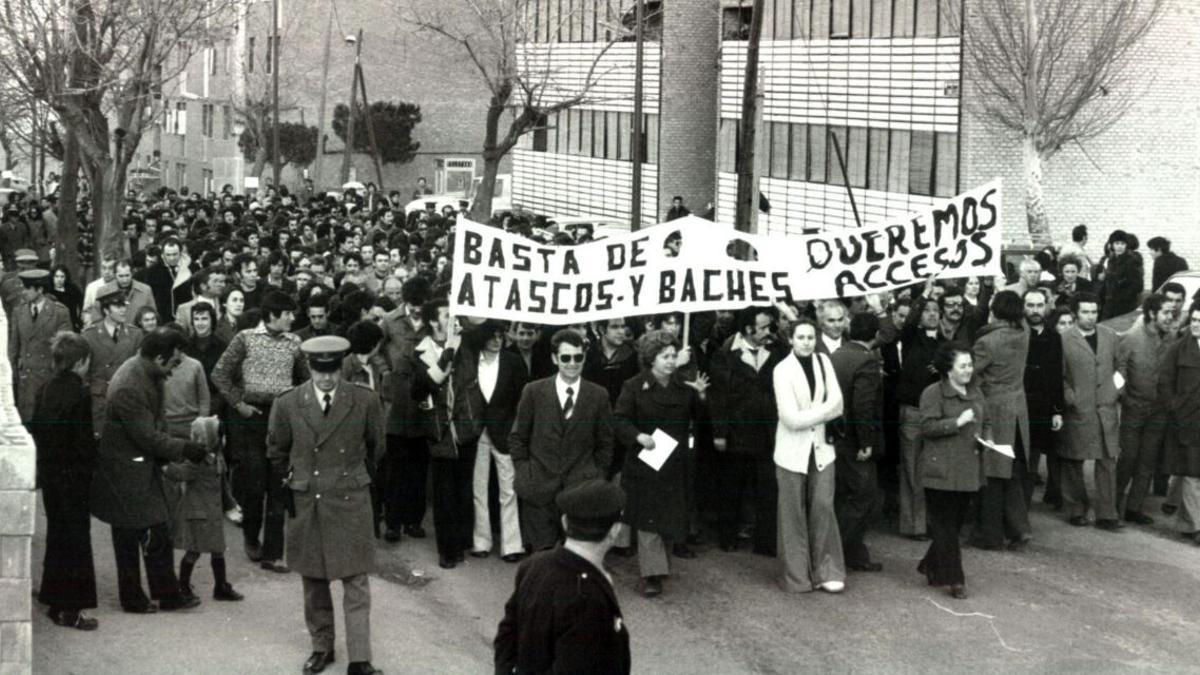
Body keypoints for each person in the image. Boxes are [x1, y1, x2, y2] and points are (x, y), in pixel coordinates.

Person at [267, 335, 385, 675]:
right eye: (320, 372)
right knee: (314, 580)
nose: (327, 379)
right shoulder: (288, 403)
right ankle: (322, 647)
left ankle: (360, 659)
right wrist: (294, 483)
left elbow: (377, 446)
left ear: (341, 368)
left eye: (333, 370)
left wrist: (356, 477)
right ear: (309, 369)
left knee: (356, 581)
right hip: (309, 500)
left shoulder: (364, 400)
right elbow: (276, 451)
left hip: (349, 497)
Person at [89, 328, 208, 613]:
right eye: (173, 363)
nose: (174, 370)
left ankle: (162, 594)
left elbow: (159, 422)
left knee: (153, 528)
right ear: (158, 358)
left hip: (139, 466)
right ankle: (139, 598)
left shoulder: (148, 373)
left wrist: (170, 453)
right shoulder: (131, 383)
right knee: (133, 534)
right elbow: (147, 436)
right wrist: (185, 449)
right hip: (126, 470)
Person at [212, 290, 309, 573]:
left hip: (281, 420)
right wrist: (238, 404)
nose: (292, 318)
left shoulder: (295, 343)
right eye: (288, 313)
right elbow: (219, 373)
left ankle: (273, 552)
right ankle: (251, 538)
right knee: (254, 485)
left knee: (279, 485)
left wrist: (295, 408)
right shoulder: (244, 339)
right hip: (250, 420)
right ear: (272, 315)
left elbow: (304, 380)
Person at [493, 479, 630, 675]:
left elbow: (506, 635)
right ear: (615, 530)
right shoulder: (587, 597)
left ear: (565, 522)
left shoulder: (534, 564)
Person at [613, 329, 710, 597]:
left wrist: (701, 397)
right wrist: (638, 436)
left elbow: (699, 421)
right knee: (647, 520)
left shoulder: (684, 387)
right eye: (664, 356)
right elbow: (619, 420)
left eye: (672, 355)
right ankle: (651, 574)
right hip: (645, 463)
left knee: (668, 517)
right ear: (651, 359)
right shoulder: (633, 386)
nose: (670, 361)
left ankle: (660, 566)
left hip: (675, 463)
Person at [509, 329, 615, 551]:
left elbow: (605, 442)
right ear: (554, 359)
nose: (572, 363)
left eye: (578, 357)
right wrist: (525, 471)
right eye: (566, 357)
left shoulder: (598, 395)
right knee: (542, 557)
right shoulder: (534, 391)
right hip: (538, 488)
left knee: (577, 558)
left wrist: (596, 475)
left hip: (580, 490)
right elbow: (518, 437)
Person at [31, 333, 99, 630]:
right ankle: (71, 610)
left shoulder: (45, 388)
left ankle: (52, 597)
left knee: (57, 536)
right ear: (80, 362)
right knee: (76, 542)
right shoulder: (80, 393)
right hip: (74, 478)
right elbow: (83, 443)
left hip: (51, 475)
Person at [772, 319, 844, 593]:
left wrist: (821, 413)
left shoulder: (825, 363)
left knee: (823, 507)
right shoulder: (782, 370)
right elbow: (789, 418)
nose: (806, 342)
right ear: (790, 339)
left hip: (822, 449)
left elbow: (839, 404)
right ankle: (796, 575)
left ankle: (827, 570)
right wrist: (825, 412)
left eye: (811, 337)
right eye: (800, 337)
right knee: (792, 512)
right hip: (791, 451)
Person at [708, 306, 787, 554]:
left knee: (767, 488)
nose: (768, 332)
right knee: (732, 487)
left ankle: (765, 541)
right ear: (748, 329)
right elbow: (718, 397)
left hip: (768, 434)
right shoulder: (724, 355)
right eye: (763, 327)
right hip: (737, 433)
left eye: (769, 326)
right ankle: (728, 537)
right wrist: (719, 433)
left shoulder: (777, 351)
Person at [450, 320, 528, 563]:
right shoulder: (472, 360)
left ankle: (512, 545)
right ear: (482, 338)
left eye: (500, 335)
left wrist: (515, 430)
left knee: (509, 489)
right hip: (476, 432)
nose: (497, 340)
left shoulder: (514, 362)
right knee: (478, 488)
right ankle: (481, 541)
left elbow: (522, 400)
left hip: (504, 433)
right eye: (492, 336)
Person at [918, 342, 990, 599]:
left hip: (969, 468)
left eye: (970, 365)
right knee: (946, 526)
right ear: (949, 370)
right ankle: (955, 579)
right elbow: (926, 427)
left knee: (954, 524)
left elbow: (986, 420)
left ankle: (930, 564)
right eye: (963, 366)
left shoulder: (976, 392)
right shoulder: (932, 393)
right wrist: (957, 422)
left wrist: (987, 439)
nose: (968, 370)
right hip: (941, 470)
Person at [970, 290, 1033, 550]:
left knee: (992, 475)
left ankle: (990, 535)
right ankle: (1019, 528)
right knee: (1012, 472)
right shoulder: (1024, 335)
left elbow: (969, 372)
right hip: (1018, 410)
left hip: (995, 411)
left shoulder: (988, 341)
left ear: (994, 311)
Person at [1060, 293, 1123, 530]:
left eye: (1094, 312)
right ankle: (1076, 509)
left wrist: (1114, 390)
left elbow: (1121, 366)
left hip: (1106, 408)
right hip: (1079, 409)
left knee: (1107, 461)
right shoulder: (1065, 339)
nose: (1090, 316)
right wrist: (1070, 397)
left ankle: (1107, 513)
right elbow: (1060, 375)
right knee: (1075, 459)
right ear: (1076, 313)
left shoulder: (1109, 336)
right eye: (1085, 312)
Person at [829, 312, 884, 573]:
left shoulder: (836, 356)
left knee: (844, 496)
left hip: (835, 437)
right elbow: (863, 405)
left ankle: (855, 554)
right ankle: (833, 550)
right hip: (855, 441)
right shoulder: (867, 362)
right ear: (875, 335)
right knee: (864, 497)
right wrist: (866, 442)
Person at [1116, 294, 1174, 525]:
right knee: (1128, 458)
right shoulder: (1131, 338)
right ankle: (1111, 505)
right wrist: (1124, 398)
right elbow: (1119, 372)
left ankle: (1134, 508)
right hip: (1134, 408)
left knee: (1147, 460)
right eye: (1167, 312)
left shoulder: (1170, 339)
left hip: (1159, 410)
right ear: (1152, 313)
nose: (1171, 317)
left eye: (1173, 312)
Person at [1160, 300, 1200, 543]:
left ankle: (1182, 513)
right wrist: (1175, 409)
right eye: (1194, 320)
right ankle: (1195, 525)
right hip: (1187, 420)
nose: (1196, 325)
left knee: (1188, 473)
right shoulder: (1177, 349)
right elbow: (1164, 383)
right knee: (1193, 473)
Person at [10, 268, 73, 422]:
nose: (23, 292)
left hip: (49, 380)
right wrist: (13, 376)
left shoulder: (59, 312)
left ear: (39, 289)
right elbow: (13, 348)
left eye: (27, 288)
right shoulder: (19, 312)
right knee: (27, 423)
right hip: (26, 380)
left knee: (47, 425)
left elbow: (65, 350)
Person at [1022, 289, 1065, 508]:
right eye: (1030, 305)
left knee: (1034, 459)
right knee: (1020, 460)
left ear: (1046, 307)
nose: (1035, 311)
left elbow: (1057, 375)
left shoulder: (1054, 337)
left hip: (1042, 407)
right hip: (1020, 404)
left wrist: (1057, 410)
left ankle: (1025, 505)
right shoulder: (1017, 333)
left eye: (1039, 306)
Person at [1099, 231, 1142, 320]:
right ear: (1112, 245)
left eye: (1122, 243)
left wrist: (1121, 297)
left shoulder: (1132, 261)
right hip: (1109, 305)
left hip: (1125, 306)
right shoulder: (1111, 260)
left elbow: (1138, 286)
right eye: (1117, 243)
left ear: (1126, 245)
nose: (1119, 246)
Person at [48, 264, 84, 331]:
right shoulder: (48, 291)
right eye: (56, 276)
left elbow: (81, 305)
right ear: (52, 277)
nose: (59, 279)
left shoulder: (73, 290)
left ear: (66, 277)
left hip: (70, 324)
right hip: (52, 325)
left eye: (62, 277)